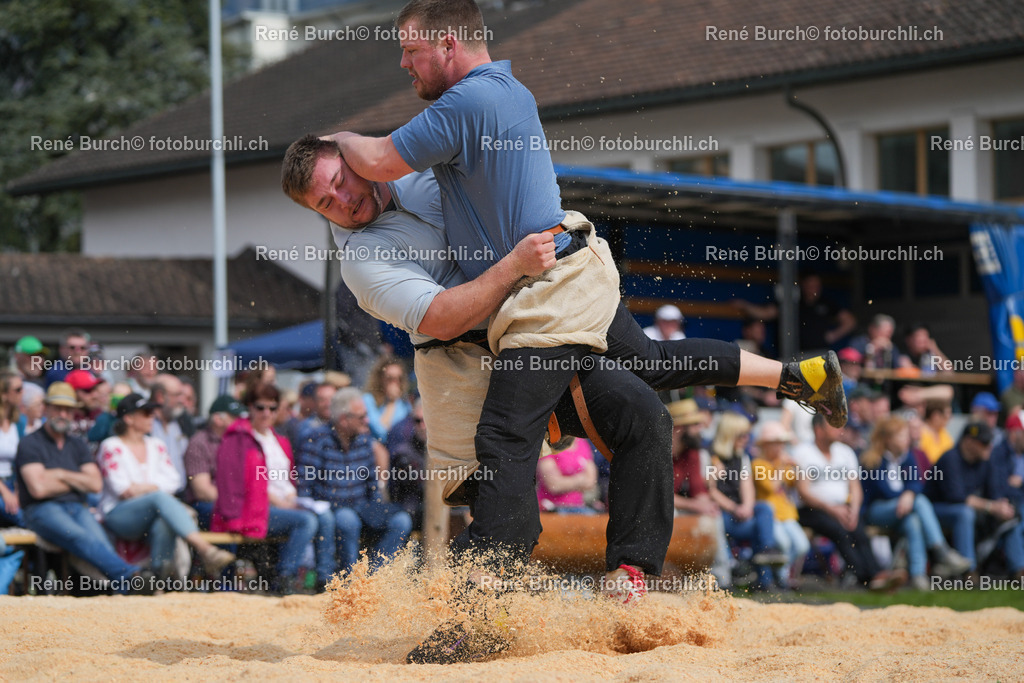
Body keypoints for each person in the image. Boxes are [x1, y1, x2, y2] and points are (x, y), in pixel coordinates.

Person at [14, 383, 150, 593]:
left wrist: (59, 474)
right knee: (79, 536)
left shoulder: (77, 444)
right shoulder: (30, 443)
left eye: (67, 410)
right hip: (40, 509)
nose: (62, 414)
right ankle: (131, 577)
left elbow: (95, 484)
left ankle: (126, 588)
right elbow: (38, 489)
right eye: (57, 408)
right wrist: (77, 480)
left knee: (101, 541)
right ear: (46, 409)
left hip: (76, 506)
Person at [97, 394, 235, 580]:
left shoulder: (156, 445)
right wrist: (155, 489)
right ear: (128, 418)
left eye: (152, 412)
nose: (152, 416)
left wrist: (145, 488)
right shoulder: (111, 446)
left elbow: (175, 481)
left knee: (163, 520)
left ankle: (157, 579)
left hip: (150, 513)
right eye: (145, 413)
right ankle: (204, 548)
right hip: (118, 515)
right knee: (160, 500)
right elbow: (123, 490)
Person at [213, 384, 336, 594]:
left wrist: (291, 497)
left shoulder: (280, 440)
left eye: (272, 408)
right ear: (250, 408)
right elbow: (233, 482)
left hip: (281, 505)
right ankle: (284, 579)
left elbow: (286, 478)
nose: (266, 413)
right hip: (252, 511)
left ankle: (325, 581)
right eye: (260, 407)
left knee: (326, 517)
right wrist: (278, 501)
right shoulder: (238, 438)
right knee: (306, 521)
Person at [296, 387, 411, 573]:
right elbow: (305, 485)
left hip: (362, 505)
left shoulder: (364, 440)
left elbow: (372, 483)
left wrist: (378, 506)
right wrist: (317, 511)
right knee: (348, 520)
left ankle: (373, 577)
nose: (367, 420)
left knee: (401, 520)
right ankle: (348, 579)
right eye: (362, 416)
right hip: (331, 507)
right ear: (343, 419)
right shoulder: (316, 440)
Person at [793, 413, 906, 590]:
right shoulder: (803, 452)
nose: (841, 430)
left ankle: (875, 575)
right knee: (840, 531)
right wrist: (832, 509)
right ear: (818, 429)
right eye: (834, 426)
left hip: (842, 508)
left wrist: (853, 510)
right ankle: (868, 578)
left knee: (858, 529)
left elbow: (855, 487)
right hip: (811, 509)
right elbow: (803, 492)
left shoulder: (844, 452)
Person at [859, 416, 970, 590]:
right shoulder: (873, 459)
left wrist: (909, 494)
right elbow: (882, 492)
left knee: (913, 521)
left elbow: (917, 482)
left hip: (902, 510)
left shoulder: (907, 456)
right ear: (888, 439)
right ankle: (941, 550)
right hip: (876, 511)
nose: (907, 439)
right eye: (901, 436)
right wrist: (907, 495)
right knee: (919, 500)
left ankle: (918, 575)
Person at [925, 422, 1023, 579]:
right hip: (935, 511)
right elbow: (956, 497)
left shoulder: (985, 460)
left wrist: (1002, 506)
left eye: (989, 442)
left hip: (970, 510)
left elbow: (994, 493)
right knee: (965, 513)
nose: (988, 447)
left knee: (1011, 511)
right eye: (984, 443)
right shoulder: (950, 458)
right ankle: (969, 571)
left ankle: (1018, 569)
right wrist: (991, 507)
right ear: (968, 441)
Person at [706, 412, 786, 591]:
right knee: (719, 518)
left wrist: (747, 506)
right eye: (742, 435)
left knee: (764, 508)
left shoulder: (741, 456)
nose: (746, 439)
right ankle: (727, 576)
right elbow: (710, 491)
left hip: (739, 513)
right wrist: (734, 507)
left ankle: (766, 555)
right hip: (722, 514)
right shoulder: (710, 455)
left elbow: (747, 485)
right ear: (729, 433)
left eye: (747, 434)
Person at [668, 399, 730, 588]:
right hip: (651, 510)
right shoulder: (657, 452)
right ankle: (669, 575)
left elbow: (698, 490)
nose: (700, 429)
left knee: (713, 516)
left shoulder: (691, 451)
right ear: (678, 427)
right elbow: (659, 497)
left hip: (674, 506)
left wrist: (706, 506)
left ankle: (720, 580)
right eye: (694, 424)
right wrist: (697, 505)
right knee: (670, 514)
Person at [751, 421, 809, 590]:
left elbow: (796, 484)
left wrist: (798, 469)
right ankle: (782, 579)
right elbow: (771, 487)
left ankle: (779, 574)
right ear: (766, 445)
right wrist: (782, 467)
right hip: (771, 516)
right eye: (777, 443)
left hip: (787, 514)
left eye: (782, 444)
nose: (780, 448)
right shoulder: (758, 464)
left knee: (802, 545)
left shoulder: (781, 463)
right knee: (783, 543)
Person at [183, 394, 246, 529]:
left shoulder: (240, 442)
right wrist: (236, 502)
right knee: (231, 515)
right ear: (218, 419)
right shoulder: (199, 443)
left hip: (232, 503)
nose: (241, 423)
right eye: (235, 418)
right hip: (206, 505)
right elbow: (203, 491)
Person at [386, 398, 427, 530]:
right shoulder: (403, 453)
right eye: (417, 421)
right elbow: (422, 485)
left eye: (427, 420)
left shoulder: (446, 450)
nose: (422, 425)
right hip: (412, 516)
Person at [536, 438, 599, 515]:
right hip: (551, 507)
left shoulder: (582, 442)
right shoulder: (548, 443)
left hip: (578, 507)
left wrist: (564, 481)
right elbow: (554, 485)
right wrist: (580, 480)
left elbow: (591, 482)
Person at [149, 374, 189, 492]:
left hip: (180, 494)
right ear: (160, 396)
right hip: (154, 495)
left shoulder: (182, 421)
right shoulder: (145, 423)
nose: (182, 400)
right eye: (177, 395)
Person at [362, 357, 412, 443]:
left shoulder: (404, 403)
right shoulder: (368, 400)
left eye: (399, 379)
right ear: (380, 379)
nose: (395, 383)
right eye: (390, 378)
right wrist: (391, 403)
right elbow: (382, 434)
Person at [0, 370, 28, 528]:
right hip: (2, 487)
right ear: (3, 394)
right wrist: (5, 492)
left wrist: (17, 491)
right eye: (18, 389)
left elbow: (21, 459)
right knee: (22, 518)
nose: (22, 393)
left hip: (13, 482)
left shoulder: (19, 422)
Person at [919, 399, 954, 465]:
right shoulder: (920, 434)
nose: (949, 419)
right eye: (946, 416)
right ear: (936, 416)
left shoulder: (943, 432)